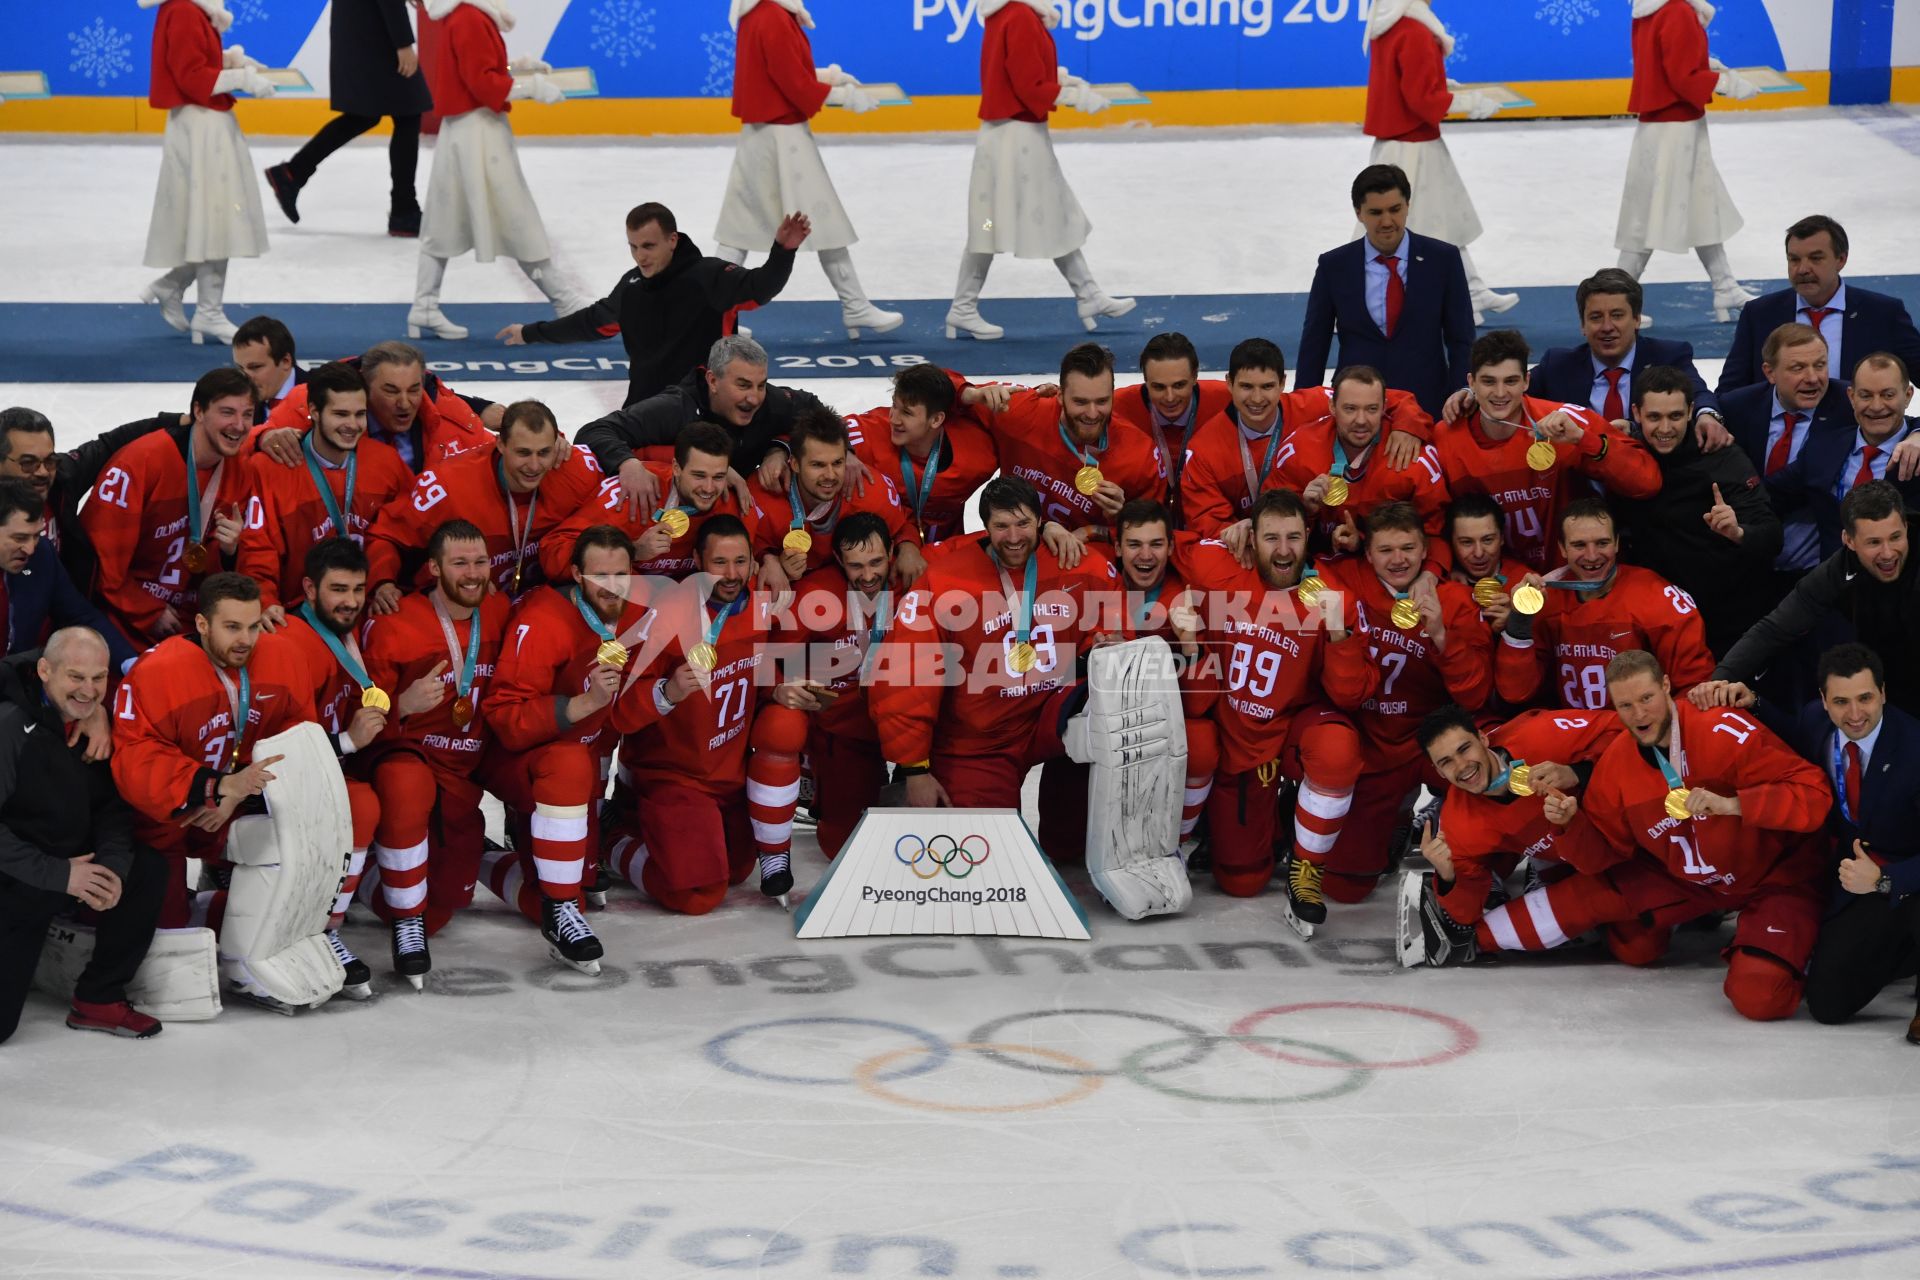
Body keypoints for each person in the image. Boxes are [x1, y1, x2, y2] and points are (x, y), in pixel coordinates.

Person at [1476, 650, 1830, 1022]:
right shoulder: (1616, 765)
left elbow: (1814, 794)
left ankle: (1794, 940)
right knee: (1634, 945)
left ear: (1665, 686)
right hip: (1695, 881)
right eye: (1625, 705)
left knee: (1761, 996)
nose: (1639, 715)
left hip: (1777, 874)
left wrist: (1736, 804)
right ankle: (1471, 939)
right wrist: (1570, 824)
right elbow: (1601, 857)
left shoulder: (1722, 729)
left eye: (1646, 698)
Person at [870, 476, 1117, 861]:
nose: (1014, 537)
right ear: (985, 526)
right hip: (978, 740)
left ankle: (1092, 843)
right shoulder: (945, 580)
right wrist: (914, 768)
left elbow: (1112, 621)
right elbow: (907, 678)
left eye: (1023, 524)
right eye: (1001, 526)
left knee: (1117, 695)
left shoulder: (1079, 563)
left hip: (1051, 718)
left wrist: (1105, 642)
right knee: (981, 858)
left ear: (1040, 521)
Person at [1176, 489, 1374, 930]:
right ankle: (1238, 826)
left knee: (1338, 749)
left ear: (1308, 536)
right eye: (1270, 538)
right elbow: (1167, 542)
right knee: (1241, 880)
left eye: (1292, 537)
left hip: (1292, 728)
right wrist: (1221, 533)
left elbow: (1350, 696)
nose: (1283, 551)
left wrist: (1340, 634)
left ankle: (1307, 870)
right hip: (1236, 737)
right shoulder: (1219, 566)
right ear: (1253, 538)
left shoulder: (1331, 595)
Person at [479, 527, 666, 969]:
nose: (611, 585)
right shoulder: (543, 619)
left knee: (555, 888)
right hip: (523, 760)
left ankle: (476, 857)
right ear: (578, 574)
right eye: (600, 574)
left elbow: (621, 714)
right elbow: (505, 720)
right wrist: (584, 704)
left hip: (576, 768)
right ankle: (558, 909)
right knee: (569, 763)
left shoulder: (638, 612)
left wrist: (669, 693)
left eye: (621, 574)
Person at [603, 515, 802, 913]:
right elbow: (618, 713)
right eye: (719, 563)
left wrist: (779, 688)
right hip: (673, 778)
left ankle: (652, 832)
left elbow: (754, 671)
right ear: (696, 559)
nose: (731, 575)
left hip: (727, 777)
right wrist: (667, 691)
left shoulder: (757, 605)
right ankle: (608, 840)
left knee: (737, 870)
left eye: (741, 562)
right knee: (696, 896)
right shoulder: (663, 613)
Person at [110, 574, 314, 931]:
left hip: (238, 802)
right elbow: (136, 761)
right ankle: (187, 910)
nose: (246, 640)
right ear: (202, 623)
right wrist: (217, 787)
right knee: (167, 927)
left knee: (292, 861)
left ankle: (241, 923)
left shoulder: (283, 657)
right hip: (169, 815)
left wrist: (236, 795)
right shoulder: (157, 672)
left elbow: (298, 743)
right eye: (232, 627)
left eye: (253, 627)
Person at [1313, 502, 1491, 903]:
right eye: (1386, 550)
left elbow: (1476, 695)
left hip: (1429, 740)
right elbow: (1299, 562)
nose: (1398, 560)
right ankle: (1391, 818)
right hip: (1371, 742)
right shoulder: (1345, 577)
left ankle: (1479, 853)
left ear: (1426, 551)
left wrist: (1443, 638)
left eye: (1408, 549)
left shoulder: (1457, 600)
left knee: (1487, 752)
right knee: (1346, 886)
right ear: (1368, 552)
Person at [358, 519, 511, 983]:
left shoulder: (502, 610)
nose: (472, 573)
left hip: (465, 774)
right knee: (405, 783)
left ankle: (478, 855)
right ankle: (396, 906)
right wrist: (401, 704)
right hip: (410, 762)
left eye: (481, 561)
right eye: (459, 562)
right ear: (432, 568)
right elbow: (358, 723)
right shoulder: (393, 624)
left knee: (444, 909)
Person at [0, 629, 166, 1043]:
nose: (89, 691)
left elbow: (111, 810)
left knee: (147, 867)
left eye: (98, 678)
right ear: (44, 670)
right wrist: (59, 875)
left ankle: (99, 997)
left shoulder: (93, 725)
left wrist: (110, 869)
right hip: (16, 879)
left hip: (66, 864)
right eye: (76, 677)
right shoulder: (8, 726)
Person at [946, 0, 1134, 340]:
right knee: (992, 222)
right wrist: (1072, 97)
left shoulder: (1011, 12)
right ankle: (963, 307)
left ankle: (1088, 293)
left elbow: (1015, 72)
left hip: (1013, 137)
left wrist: (1060, 82)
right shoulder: (1020, 16)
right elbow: (1027, 86)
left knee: (1047, 214)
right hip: (1018, 142)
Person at [496, 202, 805, 406]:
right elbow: (592, 322)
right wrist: (530, 332)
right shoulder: (632, 286)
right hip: (644, 408)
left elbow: (760, 287)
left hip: (701, 408)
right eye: (633, 246)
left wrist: (783, 251)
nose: (640, 256)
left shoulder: (708, 276)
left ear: (672, 240)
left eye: (648, 246)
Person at [715, 0, 901, 338]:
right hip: (782, 139)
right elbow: (791, 83)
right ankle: (855, 306)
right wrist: (841, 95)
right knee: (820, 219)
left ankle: (710, 317)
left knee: (738, 230)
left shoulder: (764, 11)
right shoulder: (772, 14)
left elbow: (777, 71)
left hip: (765, 135)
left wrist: (827, 78)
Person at [408, 0, 591, 341]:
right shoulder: (469, 18)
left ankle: (424, 305)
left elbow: (479, 70)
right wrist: (530, 87)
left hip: (463, 131)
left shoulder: (466, 15)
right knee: (516, 217)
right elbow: (482, 84)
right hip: (479, 133)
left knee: (444, 219)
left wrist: (517, 70)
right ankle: (566, 303)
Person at [1429, 330, 1659, 571]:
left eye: (1510, 381)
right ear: (1471, 382)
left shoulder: (1566, 422)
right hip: (1496, 583)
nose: (1499, 393)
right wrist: (1448, 566)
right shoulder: (1445, 438)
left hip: (1576, 577)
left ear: (1526, 381)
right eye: (1488, 381)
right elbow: (1432, 520)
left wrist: (1583, 439)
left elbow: (1647, 482)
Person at [277, 538, 386, 999]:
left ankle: (327, 919)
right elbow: (284, 748)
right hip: (270, 781)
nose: (351, 601)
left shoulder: (345, 630)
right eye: (339, 589)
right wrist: (346, 741)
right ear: (309, 587)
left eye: (358, 589)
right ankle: (321, 929)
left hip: (328, 765)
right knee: (359, 802)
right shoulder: (292, 642)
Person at [1705, 482, 1920, 717]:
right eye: (1874, 542)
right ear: (1848, 540)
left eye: (1896, 537)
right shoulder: (1837, 571)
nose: (1888, 553)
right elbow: (1774, 628)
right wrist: (1718, 680)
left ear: (1906, 527)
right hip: (1895, 685)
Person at [1360, 0, 1517, 321]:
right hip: (1413, 148)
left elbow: (1405, 84)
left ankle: (1471, 290)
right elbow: (1421, 99)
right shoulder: (1415, 31)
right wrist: (1466, 102)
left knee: (1441, 222)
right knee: (1407, 229)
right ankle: (1359, 304)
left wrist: (1443, 88)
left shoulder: (1390, 25)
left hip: (1405, 143)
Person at [1794, 644, 1920, 1039]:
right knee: (1828, 1003)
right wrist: (1755, 701)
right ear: (1824, 702)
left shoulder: (1916, 747)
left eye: (1865, 698)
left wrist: (1885, 880)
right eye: (1841, 701)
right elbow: (1787, 734)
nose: (1855, 714)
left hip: (1907, 877)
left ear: (1883, 692)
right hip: (1856, 881)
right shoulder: (1815, 723)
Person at [1612, 365, 1781, 655]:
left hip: (1726, 625)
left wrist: (1738, 532)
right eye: (1654, 417)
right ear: (1637, 414)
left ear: (1691, 411)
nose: (1665, 428)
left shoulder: (1722, 456)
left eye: (1675, 416)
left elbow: (1772, 536)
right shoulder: (1625, 453)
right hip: (1653, 622)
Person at [1184, 341, 1430, 540]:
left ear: (1283, 383)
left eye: (1268, 386)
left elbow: (1385, 398)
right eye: (1247, 386)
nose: (1257, 398)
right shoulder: (1204, 448)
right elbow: (1205, 519)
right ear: (1229, 383)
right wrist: (1246, 535)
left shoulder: (1314, 404)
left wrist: (1407, 425)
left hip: (1305, 537)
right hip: (1247, 542)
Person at [82, 367, 255, 650]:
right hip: (122, 622)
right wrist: (147, 611)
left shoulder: (240, 472)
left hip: (190, 622)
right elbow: (101, 564)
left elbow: (218, 573)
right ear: (198, 411)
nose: (239, 425)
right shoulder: (140, 463)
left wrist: (229, 553)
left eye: (247, 414)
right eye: (227, 412)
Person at [366, 400, 600, 607]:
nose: (534, 465)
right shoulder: (446, 486)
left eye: (544, 452)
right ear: (500, 444)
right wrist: (383, 581)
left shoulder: (576, 469)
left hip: (539, 600)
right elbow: (387, 534)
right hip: (462, 607)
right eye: (523, 453)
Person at [1612, 0, 1759, 322]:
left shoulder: (1652, 8)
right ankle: (1616, 301)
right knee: (1651, 215)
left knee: (1699, 205)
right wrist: (1726, 84)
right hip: (1676, 129)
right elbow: (1681, 76)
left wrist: (1709, 67)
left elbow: (1665, 60)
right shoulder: (1676, 9)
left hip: (1666, 127)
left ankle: (1725, 286)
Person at [235, 361, 414, 626]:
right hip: (298, 614)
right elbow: (257, 549)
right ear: (314, 412)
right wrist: (266, 601)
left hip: (369, 611)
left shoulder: (387, 463)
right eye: (341, 414)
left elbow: (405, 532)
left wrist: (384, 582)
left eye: (359, 414)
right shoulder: (270, 469)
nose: (352, 425)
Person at [137, 0, 272, 345]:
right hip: (200, 127)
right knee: (216, 217)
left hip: (205, 124)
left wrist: (233, 62)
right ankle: (207, 312)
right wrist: (240, 78)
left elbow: (197, 61)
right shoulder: (183, 9)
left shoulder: (192, 9)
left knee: (215, 217)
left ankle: (174, 286)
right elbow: (191, 76)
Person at [1495, 498, 1715, 710]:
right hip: (1580, 734)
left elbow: (1695, 687)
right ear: (1562, 548)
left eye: (1602, 543)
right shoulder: (1545, 598)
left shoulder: (1658, 599)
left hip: (1641, 730)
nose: (1592, 556)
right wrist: (1520, 619)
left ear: (1617, 543)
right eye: (1579, 545)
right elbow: (1516, 692)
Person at [766, 511, 898, 859]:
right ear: (839, 559)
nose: (868, 575)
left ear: (892, 552)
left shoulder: (913, 580)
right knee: (844, 847)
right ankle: (815, 769)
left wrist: (1050, 527)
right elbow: (768, 653)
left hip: (906, 724)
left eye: (876, 562)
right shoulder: (816, 593)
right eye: (856, 566)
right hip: (845, 733)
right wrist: (780, 686)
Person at [1296, 163, 1474, 416]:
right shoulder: (1334, 266)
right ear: (1359, 213)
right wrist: (1303, 404)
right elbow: (1315, 341)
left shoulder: (1443, 260)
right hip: (1356, 409)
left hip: (1428, 405)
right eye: (1376, 212)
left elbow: (1461, 338)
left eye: (1395, 209)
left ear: (1408, 206)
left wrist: (1461, 391)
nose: (1387, 221)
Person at [579, 335, 831, 497]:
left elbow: (814, 409)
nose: (754, 398)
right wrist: (627, 464)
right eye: (742, 385)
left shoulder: (770, 402)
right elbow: (595, 431)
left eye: (761, 384)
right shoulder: (676, 408)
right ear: (712, 380)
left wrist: (779, 449)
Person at [264, 0, 433, 237]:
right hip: (374, 29)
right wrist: (403, 43)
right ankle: (404, 210)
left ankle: (292, 173)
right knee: (406, 111)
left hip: (362, 24)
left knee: (367, 114)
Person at [966, 343, 1167, 535]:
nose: (1092, 413)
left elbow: (1155, 533)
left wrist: (1121, 517)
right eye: (1080, 401)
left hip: (1087, 557)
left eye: (1102, 401)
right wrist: (970, 394)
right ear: (1060, 396)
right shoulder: (1019, 411)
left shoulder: (1139, 455)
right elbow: (942, 388)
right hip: (1015, 547)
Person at [1719, 323, 1855, 603]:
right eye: (1798, 368)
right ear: (1770, 372)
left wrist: (1917, 433)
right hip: (1747, 567)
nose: (1813, 378)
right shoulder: (1737, 406)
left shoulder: (1848, 404)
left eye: (1820, 365)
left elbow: (1892, 417)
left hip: (1820, 571)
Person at [1271, 365, 1448, 568]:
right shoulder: (1298, 450)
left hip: (1389, 574)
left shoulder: (1415, 460)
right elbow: (1272, 524)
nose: (1361, 420)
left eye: (1372, 409)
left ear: (1384, 407)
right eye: (1350, 409)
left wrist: (1431, 572)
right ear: (1332, 407)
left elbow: (1437, 531)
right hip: (1314, 570)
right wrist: (1305, 510)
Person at [1720, 215, 1920, 393]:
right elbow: (1730, 390)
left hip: (1855, 431)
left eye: (1816, 258)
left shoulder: (1883, 313)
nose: (1803, 269)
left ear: (1841, 259)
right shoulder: (1759, 314)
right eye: (1794, 259)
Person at [1524, 269, 1725, 435]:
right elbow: (1513, 394)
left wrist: (1706, 414)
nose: (1607, 327)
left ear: (1637, 319)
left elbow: (1698, 394)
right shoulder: (1558, 365)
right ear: (1583, 325)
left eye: (1617, 315)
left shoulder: (1667, 356)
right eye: (1595, 317)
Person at [541, 423, 749, 583]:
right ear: (676, 468)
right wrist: (631, 551)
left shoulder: (733, 503)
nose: (709, 488)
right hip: (622, 603)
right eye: (699, 475)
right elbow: (553, 552)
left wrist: (768, 558)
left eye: (719, 476)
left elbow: (758, 549)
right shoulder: (629, 497)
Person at [0, 406, 174, 593]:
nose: (43, 472)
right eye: (28, 464)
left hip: (62, 607)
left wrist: (175, 421)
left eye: (50, 461)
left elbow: (109, 444)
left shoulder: (62, 479)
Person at [748, 408, 921, 595]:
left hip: (846, 585)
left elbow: (904, 524)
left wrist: (909, 548)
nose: (830, 475)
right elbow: (738, 549)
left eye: (838, 463)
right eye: (818, 465)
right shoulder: (762, 496)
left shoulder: (871, 490)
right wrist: (767, 559)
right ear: (795, 464)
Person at [1767, 353, 1920, 559]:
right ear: (1851, 396)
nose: (1876, 406)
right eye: (1866, 395)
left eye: (1888, 395)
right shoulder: (1822, 448)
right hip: (1833, 585)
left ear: (1908, 395)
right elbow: (1770, 495)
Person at [844, 365, 1000, 544]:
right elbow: (822, 428)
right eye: (894, 405)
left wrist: (970, 393)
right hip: (885, 552)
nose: (893, 419)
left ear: (936, 419)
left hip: (946, 553)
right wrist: (844, 451)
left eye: (907, 413)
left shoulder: (978, 454)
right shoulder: (868, 433)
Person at [0, 480, 137, 672]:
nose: (30, 549)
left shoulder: (41, 556)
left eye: (37, 535)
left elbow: (80, 615)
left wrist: (130, 662)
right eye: (20, 538)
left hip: (20, 683)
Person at [1107, 332, 1234, 520]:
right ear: (1145, 381)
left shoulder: (1230, 400)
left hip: (1210, 520)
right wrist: (1048, 396)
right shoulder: (1114, 407)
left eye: (1179, 385)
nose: (1170, 397)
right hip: (1142, 525)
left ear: (1195, 376)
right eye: (1158, 387)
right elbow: (1072, 408)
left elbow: (1286, 405)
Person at [1443, 493, 1530, 632]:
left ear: (1502, 538)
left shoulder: (1526, 584)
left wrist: (1515, 625)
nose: (1479, 553)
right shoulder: (1439, 583)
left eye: (1487, 540)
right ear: (1451, 543)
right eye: (1466, 542)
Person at [230, 315, 305, 423]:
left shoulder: (321, 396)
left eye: (255, 367)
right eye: (240, 368)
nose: (245, 378)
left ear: (285, 361)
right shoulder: (233, 402)